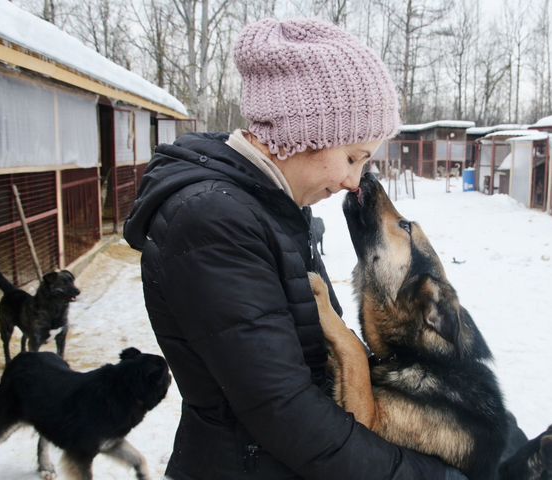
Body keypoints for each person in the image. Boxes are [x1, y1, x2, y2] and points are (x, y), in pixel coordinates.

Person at [124, 18, 467, 480]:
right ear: (301, 134)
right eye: (352, 156)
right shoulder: (214, 222)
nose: (353, 181)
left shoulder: (270, 207)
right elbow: (286, 413)